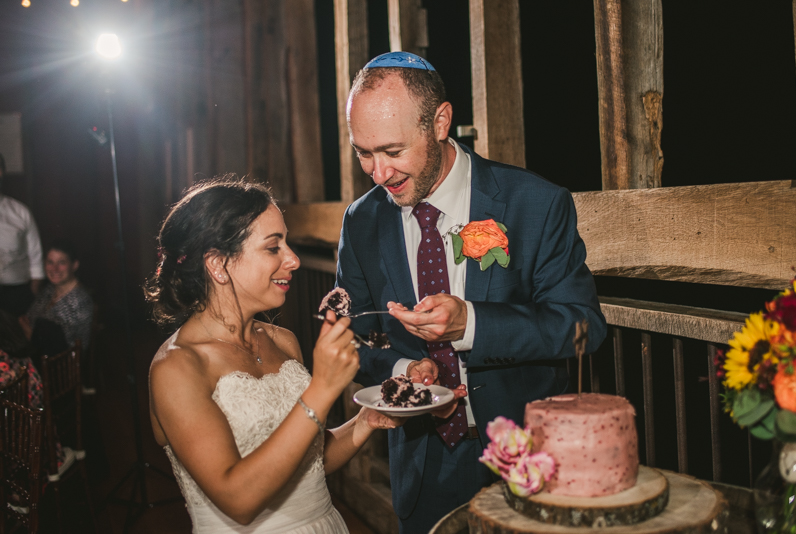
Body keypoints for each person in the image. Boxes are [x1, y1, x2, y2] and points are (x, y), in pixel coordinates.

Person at [336, 51, 608, 532]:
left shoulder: (536, 203)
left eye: (393, 151)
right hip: (422, 463)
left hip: (529, 458)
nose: (378, 174)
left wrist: (473, 325)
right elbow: (348, 338)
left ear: (440, 122)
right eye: (364, 152)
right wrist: (402, 370)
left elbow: (582, 325)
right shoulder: (362, 221)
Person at [145, 175, 402, 533]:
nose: (293, 260)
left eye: (288, 244)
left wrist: (366, 422)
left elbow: (306, 459)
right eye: (273, 247)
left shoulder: (283, 341)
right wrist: (323, 388)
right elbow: (238, 500)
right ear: (218, 264)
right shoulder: (177, 366)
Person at [22, 240, 93, 356]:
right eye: (50, 262)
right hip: (38, 355)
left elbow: (64, 348)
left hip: (61, 367)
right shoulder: (49, 290)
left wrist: (30, 333)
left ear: (74, 265)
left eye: (61, 262)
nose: (54, 269)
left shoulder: (80, 301)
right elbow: (28, 318)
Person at [0, 153, 44, 318]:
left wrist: (32, 294)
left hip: (17, 294)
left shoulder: (20, 212)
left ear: (1, 173)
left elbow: (36, 258)